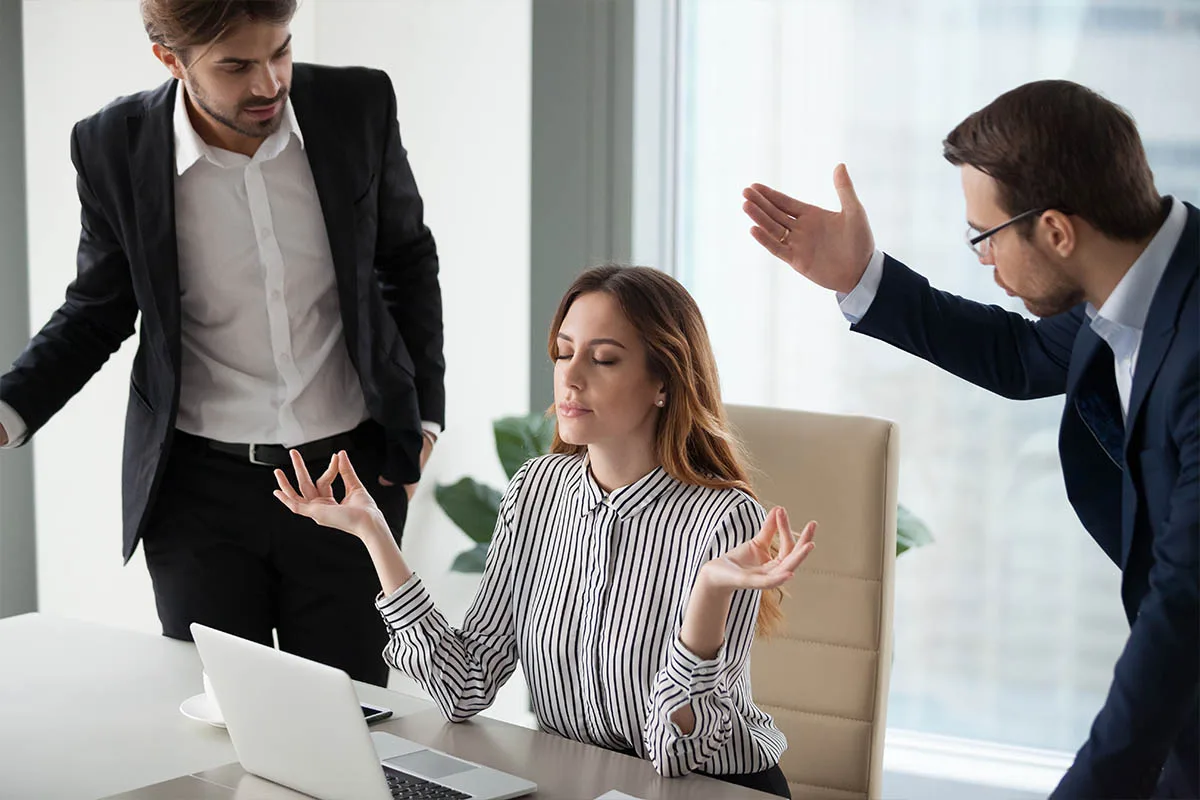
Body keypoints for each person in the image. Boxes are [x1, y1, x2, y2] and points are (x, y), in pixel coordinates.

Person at [743, 79, 1197, 798]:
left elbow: (1185, 603)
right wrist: (861, 277)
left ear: (1055, 230)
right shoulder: (1143, 276)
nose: (982, 260)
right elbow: (1022, 357)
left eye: (984, 237)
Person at [0, 0, 446, 687]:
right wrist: (8, 410)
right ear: (171, 60)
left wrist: (423, 419)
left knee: (354, 724)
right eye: (236, 65)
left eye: (280, 53)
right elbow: (97, 309)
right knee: (223, 726)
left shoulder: (357, 105)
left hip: (345, 480)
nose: (268, 83)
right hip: (197, 496)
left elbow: (406, 260)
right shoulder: (112, 145)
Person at [274, 265, 815, 797]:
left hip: (713, 788)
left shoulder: (724, 519)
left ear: (663, 384)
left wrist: (707, 596)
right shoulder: (536, 489)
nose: (571, 377)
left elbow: (678, 756)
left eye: (603, 359)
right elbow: (465, 685)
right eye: (563, 352)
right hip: (579, 781)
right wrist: (375, 533)